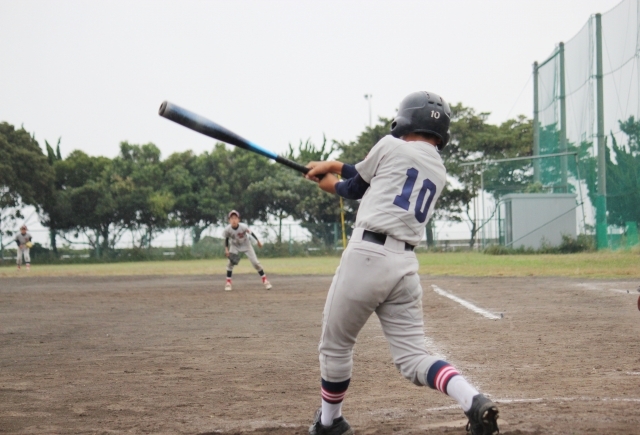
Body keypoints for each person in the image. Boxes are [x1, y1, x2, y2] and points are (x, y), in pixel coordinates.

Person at [303, 91, 499, 435]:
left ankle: (330, 424)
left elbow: (354, 187)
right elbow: (373, 175)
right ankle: (473, 401)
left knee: (335, 346)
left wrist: (331, 183)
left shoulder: (389, 146)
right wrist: (332, 167)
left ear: (405, 119)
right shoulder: (437, 169)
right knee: (412, 360)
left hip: (366, 257)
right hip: (404, 267)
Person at [223, 210, 272, 291]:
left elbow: (251, 233)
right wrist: (226, 249)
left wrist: (258, 241)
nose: (234, 220)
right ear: (229, 220)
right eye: (232, 218)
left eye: (235, 218)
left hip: (246, 245)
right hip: (234, 246)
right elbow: (226, 239)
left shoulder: (243, 226)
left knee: (256, 263)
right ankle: (228, 283)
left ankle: (265, 281)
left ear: (239, 219)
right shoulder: (227, 229)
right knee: (230, 263)